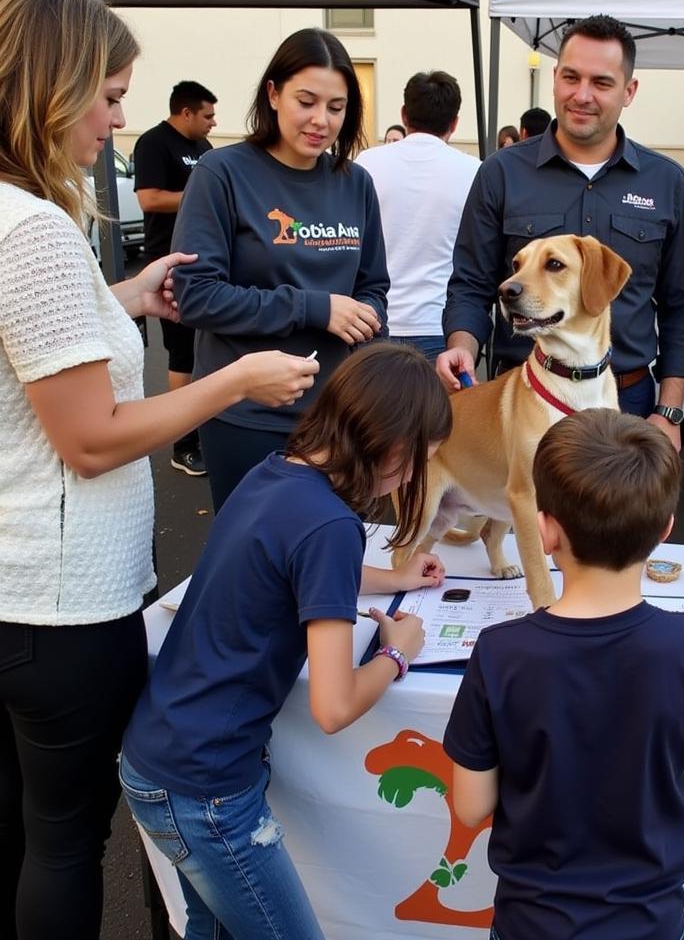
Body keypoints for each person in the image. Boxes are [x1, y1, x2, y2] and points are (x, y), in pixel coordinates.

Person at [0, 0, 315, 940]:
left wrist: (125, 298)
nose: (116, 117)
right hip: (66, 602)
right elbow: (89, 438)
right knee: (66, 837)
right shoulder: (37, 230)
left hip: (22, 591)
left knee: (27, 828)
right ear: (52, 88)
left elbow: (34, 364)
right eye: (107, 93)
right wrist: (231, 381)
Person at [120, 343, 450, 940]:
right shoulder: (332, 526)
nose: (407, 482)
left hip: (160, 759)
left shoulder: (277, 472)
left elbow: (297, 563)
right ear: (391, 445)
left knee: (212, 929)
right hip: (208, 792)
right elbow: (334, 705)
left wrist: (396, 577)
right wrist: (397, 651)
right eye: (414, 466)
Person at [444, 408, 684, 940]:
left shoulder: (501, 651)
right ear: (665, 531)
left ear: (545, 530)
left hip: (533, 923)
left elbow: (470, 804)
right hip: (650, 923)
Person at [439, 14, 684, 449]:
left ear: (629, 91)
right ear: (555, 80)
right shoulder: (502, 173)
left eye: (601, 82)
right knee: (519, 516)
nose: (582, 95)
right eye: (570, 77)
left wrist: (670, 410)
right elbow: (471, 283)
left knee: (620, 520)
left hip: (628, 396)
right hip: (526, 392)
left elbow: (682, 305)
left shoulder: (666, 183)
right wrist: (463, 347)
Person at [172, 27, 389, 512]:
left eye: (336, 108)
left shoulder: (356, 184)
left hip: (339, 415)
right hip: (247, 416)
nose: (321, 121)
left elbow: (373, 285)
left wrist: (369, 316)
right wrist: (315, 308)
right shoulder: (222, 174)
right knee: (258, 562)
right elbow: (196, 295)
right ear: (273, 93)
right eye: (306, 101)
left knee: (334, 556)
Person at [356, 71, 479, 361]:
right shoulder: (474, 171)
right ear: (455, 123)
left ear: (404, 114)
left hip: (372, 321)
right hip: (441, 327)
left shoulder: (366, 164)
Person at [133, 79, 218, 476]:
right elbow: (148, 199)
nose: (213, 123)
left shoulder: (204, 149)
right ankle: (184, 443)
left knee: (210, 351)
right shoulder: (153, 143)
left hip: (207, 268)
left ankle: (207, 428)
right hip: (167, 265)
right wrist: (202, 194)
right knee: (182, 355)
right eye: (208, 115)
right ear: (186, 112)